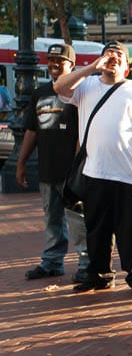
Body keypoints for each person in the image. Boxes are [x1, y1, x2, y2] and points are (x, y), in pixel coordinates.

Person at [53, 41, 132, 296]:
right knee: (97, 229)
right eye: (108, 54)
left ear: (127, 65)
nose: (112, 58)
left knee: (131, 231)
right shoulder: (86, 86)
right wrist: (91, 67)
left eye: (118, 55)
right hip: (95, 173)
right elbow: (59, 85)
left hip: (130, 174)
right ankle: (99, 276)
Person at [16, 44, 89, 282]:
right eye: (50, 60)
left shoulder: (79, 93)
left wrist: (79, 167)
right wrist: (21, 162)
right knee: (52, 219)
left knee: (78, 221)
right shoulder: (40, 93)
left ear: (72, 65)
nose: (54, 64)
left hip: (72, 173)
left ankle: (86, 263)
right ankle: (52, 262)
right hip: (47, 171)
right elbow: (31, 130)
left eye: (60, 60)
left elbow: (83, 132)